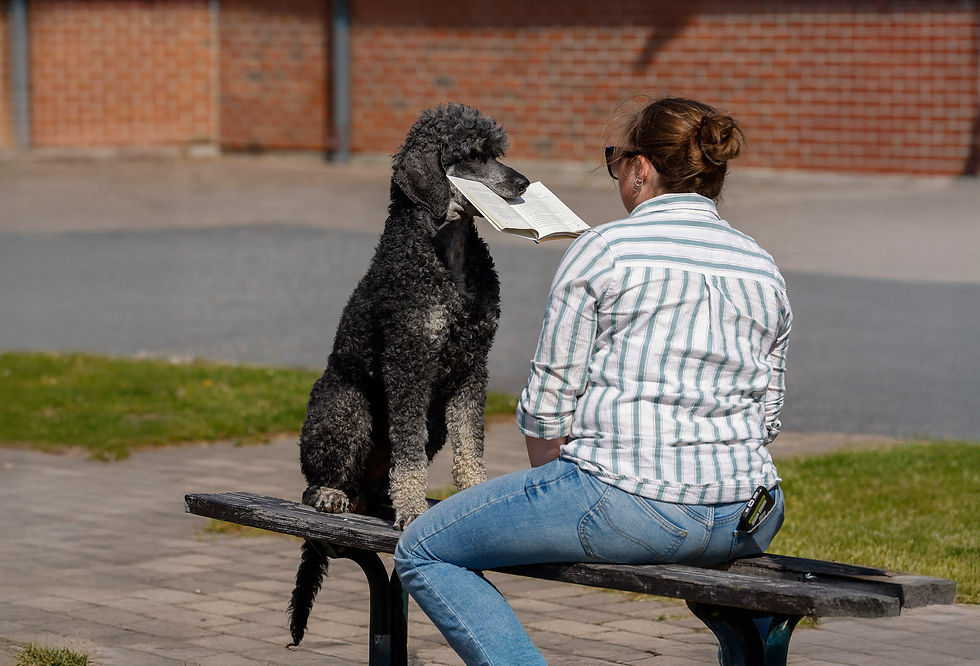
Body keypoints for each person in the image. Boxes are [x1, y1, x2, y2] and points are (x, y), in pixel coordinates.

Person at [393, 96, 792, 665]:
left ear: (640, 168)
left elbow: (548, 406)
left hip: (628, 504)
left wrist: (552, 489)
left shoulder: (605, 249)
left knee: (423, 548)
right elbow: (768, 415)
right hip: (749, 513)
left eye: (617, 161)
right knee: (731, 597)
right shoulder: (761, 264)